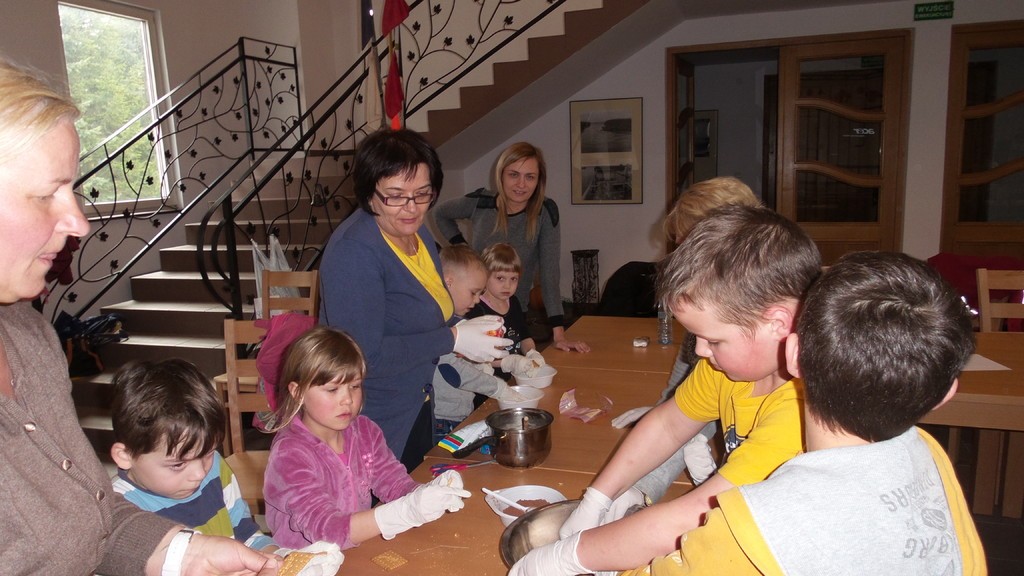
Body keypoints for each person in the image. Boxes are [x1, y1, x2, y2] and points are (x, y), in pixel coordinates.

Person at [0, 57, 276, 574]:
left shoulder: (28, 335)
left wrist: (186, 552)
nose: (79, 221)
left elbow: (92, 514)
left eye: (72, 190)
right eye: (45, 194)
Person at [617, 251, 985, 575]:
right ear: (944, 396)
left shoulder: (754, 525)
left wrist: (584, 552)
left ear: (793, 355)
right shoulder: (934, 460)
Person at [510, 205, 821, 575]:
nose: (700, 351)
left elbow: (704, 513)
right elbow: (668, 425)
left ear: (778, 324)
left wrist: (571, 555)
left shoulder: (804, 411)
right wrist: (598, 497)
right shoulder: (726, 369)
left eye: (714, 340)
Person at [318, 128, 511, 471]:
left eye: (422, 194)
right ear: (369, 192)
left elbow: (422, 310)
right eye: (395, 196)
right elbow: (363, 358)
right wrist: (452, 339)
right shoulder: (354, 252)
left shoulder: (414, 230)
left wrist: (468, 329)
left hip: (417, 401)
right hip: (374, 419)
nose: (411, 208)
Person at [613, 177, 763, 500]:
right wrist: (667, 409)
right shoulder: (714, 312)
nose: (680, 255)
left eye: (686, 245)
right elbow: (687, 398)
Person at [263, 325, 470, 549]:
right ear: (298, 392)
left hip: (356, 550)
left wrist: (426, 492)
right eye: (332, 390)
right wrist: (404, 512)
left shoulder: (365, 432)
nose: (347, 400)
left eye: (355, 386)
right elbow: (326, 530)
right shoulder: (290, 455)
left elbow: (394, 484)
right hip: (308, 560)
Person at [432, 141, 590, 353]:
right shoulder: (481, 202)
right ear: (501, 175)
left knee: (512, 364)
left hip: (514, 311)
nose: (521, 184)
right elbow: (440, 214)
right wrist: (463, 248)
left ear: (539, 181)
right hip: (473, 308)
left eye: (530, 177)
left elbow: (549, 273)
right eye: (514, 175)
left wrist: (559, 334)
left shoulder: (545, 211)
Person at [108, 359, 275, 552]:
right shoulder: (119, 512)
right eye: (178, 464)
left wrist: (271, 553)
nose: (200, 473)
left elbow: (245, 533)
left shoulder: (215, 468)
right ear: (125, 456)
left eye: (209, 452)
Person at [433, 244, 516, 440]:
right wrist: (499, 388)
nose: (478, 300)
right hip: (443, 419)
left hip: (461, 411)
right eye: (474, 292)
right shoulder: (439, 327)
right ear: (449, 282)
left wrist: (487, 365)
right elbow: (456, 372)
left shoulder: (458, 321)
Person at [467, 243, 547, 380]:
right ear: (485, 276)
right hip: (488, 380)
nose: (507, 286)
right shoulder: (476, 309)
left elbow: (524, 335)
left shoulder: (514, 302)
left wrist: (532, 353)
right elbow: (474, 356)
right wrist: (509, 362)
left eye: (513, 279)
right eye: (500, 278)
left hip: (515, 376)